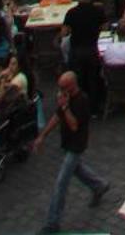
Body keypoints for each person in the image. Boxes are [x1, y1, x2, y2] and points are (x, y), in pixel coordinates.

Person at [32, 70, 108, 232]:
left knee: (61, 184)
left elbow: (74, 126)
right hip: (67, 143)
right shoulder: (65, 97)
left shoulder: (82, 101)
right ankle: (99, 186)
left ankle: (52, 222)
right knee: (78, 170)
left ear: (72, 86)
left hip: (76, 145)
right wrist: (42, 136)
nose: (59, 90)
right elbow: (57, 117)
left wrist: (65, 107)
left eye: (62, 87)